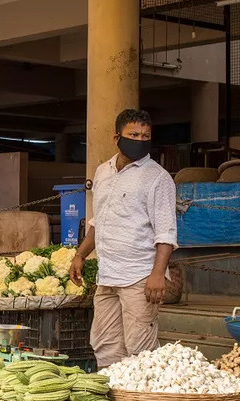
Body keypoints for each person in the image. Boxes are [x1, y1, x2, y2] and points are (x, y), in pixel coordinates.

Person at [68, 108, 177, 368]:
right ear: (117, 137)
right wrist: (80, 254)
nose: (140, 140)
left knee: (140, 351)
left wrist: (158, 274)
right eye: (134, 134)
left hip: (139, 277)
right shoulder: (103, 172)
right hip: (107, 276)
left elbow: (166, 232)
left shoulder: (157, 178)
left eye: (145, 136)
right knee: (105, 345)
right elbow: (99, 220)